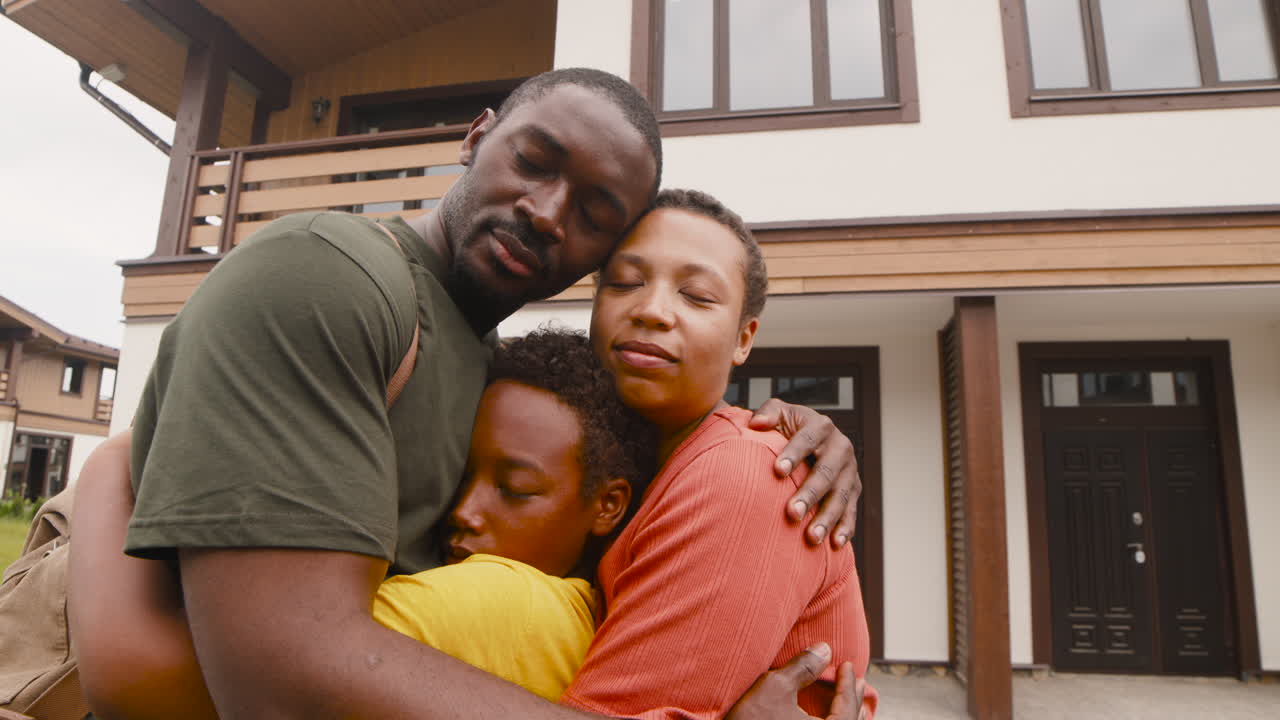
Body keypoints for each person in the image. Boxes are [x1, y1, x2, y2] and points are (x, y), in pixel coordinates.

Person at [72, 68, 866, 719]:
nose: (547, 212)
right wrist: (104, 482)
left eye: (595, 213)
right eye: (534, 160)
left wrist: (791, 433)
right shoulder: (331, 277)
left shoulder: (498, 372)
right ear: (478, 135)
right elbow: (277, 678)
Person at [71, 328, 657, 715]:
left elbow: (152, 686)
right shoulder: (580, 618)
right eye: (461, 474)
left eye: (516, 488)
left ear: (608, 505)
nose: (464, 510)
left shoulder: (506, 601)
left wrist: (109, 463)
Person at [559, 188, 877, 719]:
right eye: (625, 283)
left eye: (698, 296)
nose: (652, 310)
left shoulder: (750, 475)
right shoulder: (599, 455)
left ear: (743, 339)